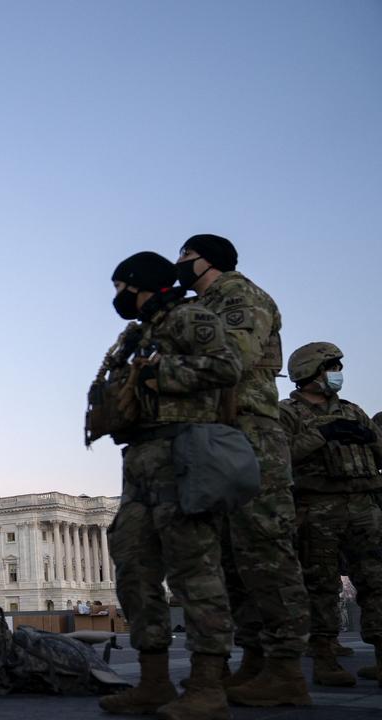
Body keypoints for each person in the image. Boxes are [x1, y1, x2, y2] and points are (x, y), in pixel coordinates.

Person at [97, 252, 240, 720]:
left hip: (183, 452)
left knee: (193, 570)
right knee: (133, 567)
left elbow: (225, 367)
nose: (117, 296)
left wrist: (162, 375)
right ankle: (154, 679)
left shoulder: (190, 317)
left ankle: (206, 684)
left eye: (121, 287)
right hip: (139, 459)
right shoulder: (135, 333)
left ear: (142, 284)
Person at [175, 234, 311, 706]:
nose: (179, 264)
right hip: (217, 434)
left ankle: (287, 667)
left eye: (186, 257)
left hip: (250, 432)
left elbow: (232, 359)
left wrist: (166, 369)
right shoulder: (204, 302)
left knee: (265, 551)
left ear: (205, 260)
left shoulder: (240, 296)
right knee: (233, 557)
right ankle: (255, 657)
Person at [278, 342, 382, 688]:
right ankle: (324, 657)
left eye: (337, 367)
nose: (335, 374)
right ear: (308, 373)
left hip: (363, 504)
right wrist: (321, 435)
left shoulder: (353, 411)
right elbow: (278, 458)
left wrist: (370, 438)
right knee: (320, 584)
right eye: (329, 368)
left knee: (375, 580)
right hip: (317, 507)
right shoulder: (287, 413)